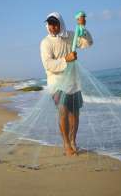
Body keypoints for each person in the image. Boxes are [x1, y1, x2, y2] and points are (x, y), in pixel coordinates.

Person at [40, 11, 93, 156]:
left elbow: (88, 43)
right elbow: (48, 65)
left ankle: (73, 141)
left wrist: (82, 28)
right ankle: (66, 144)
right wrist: (66, 59)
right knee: (63, 112)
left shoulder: (71, 36)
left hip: (73, 82)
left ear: (60, 24)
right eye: (50, 24)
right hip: (56, 84)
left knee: (75, 115)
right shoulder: (45, 43)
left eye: (55, 24)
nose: (53, 27)